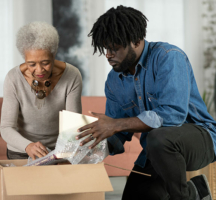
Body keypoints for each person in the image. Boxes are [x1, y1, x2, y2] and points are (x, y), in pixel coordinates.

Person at [76, 5, 216, 200]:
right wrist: (85, 149)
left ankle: (184, 197)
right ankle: (196, 191)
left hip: (200, 139)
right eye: (105, 49)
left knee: (159, 138)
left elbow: (173, 115)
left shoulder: (168, 57)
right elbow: (118, 134)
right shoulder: (114, 81)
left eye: (114, 48)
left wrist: (115, 124)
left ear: (136, 41)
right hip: (156, 150)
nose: (108, 54)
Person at [0, 21, 82, 200]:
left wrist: (63, 153)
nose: (39, 70)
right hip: (21, 150)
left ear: (54, 54)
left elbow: (73, 125)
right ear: (23, 58)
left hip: (56, 152)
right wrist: (28, 146)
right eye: (31, 64)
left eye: (45, 63)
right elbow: (6, 127)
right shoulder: (12, 78)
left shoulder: (72, 75)